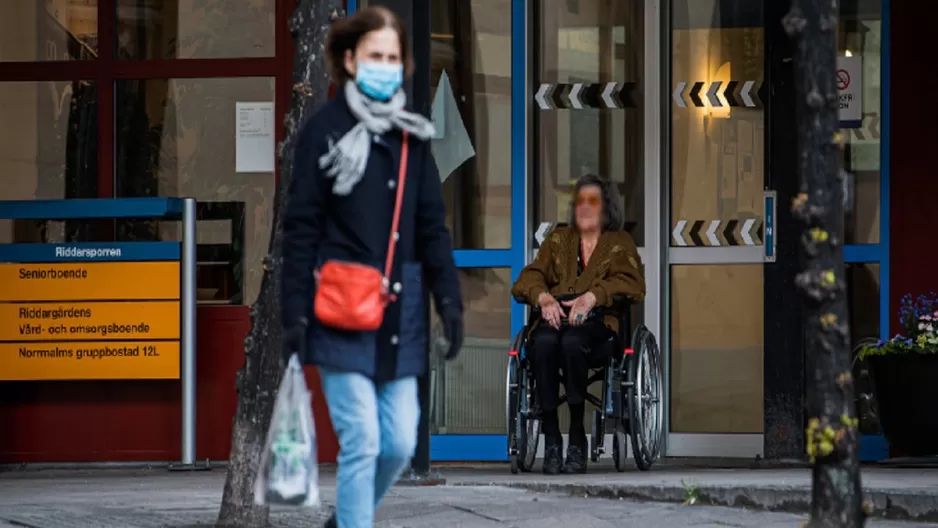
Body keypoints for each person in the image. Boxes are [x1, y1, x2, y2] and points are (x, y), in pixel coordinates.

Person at [280, 6, 464, 527]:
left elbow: (432, 230)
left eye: (392, 56)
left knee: (400, 443)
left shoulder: (412, 136)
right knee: (361, 439)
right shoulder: (324, 132)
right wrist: (294, 312)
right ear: (350, 60)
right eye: (374, 55)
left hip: (399, 314)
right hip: (339, 308)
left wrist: (448, 301)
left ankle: (344, 522)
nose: (385, 64)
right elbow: (301, 231)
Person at [510, 173, 645, 475]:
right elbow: (527, 278)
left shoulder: (619, 242)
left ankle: (575, 435)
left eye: (593, 201)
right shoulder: (559, 239)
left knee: (572, 344)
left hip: (596, 325)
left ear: (607, 208)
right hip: (555, 318)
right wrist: (544, 298)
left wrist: (594, 297)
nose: (585, 207)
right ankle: (552, 436)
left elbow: (634, 285)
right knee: (542, 344)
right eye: (580, 201)